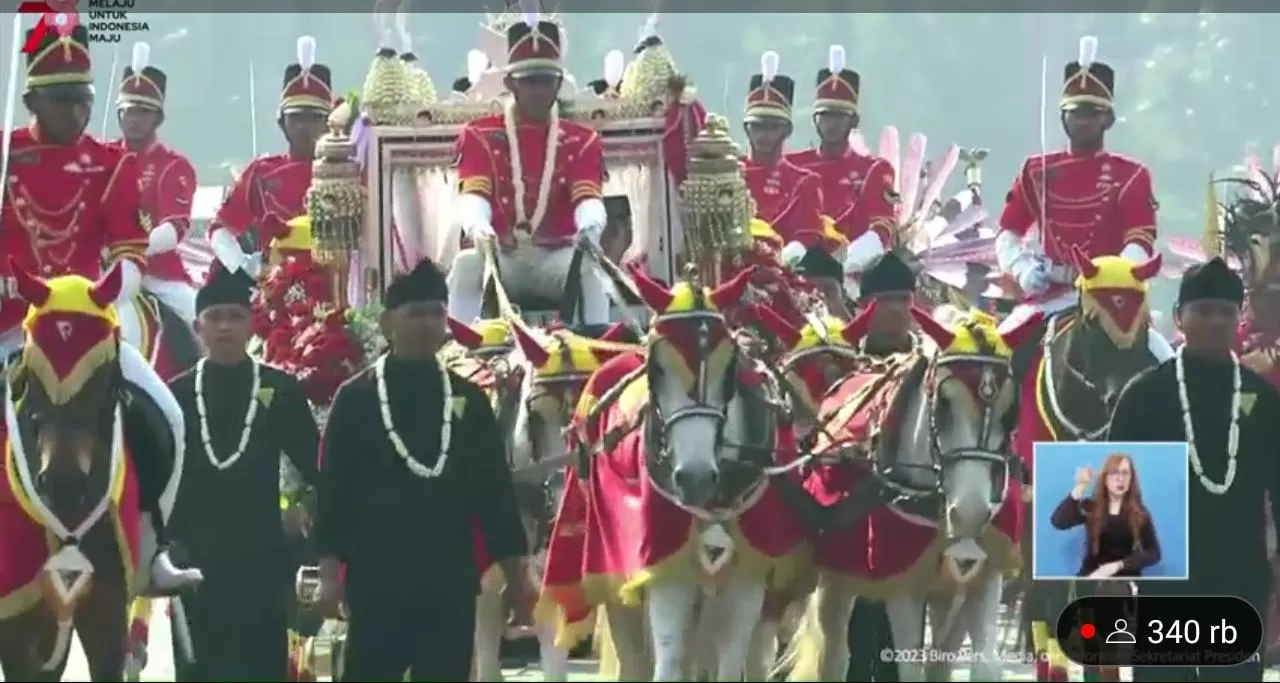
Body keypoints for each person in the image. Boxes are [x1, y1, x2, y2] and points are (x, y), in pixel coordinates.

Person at [1, 23, 199, 596]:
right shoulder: (6, 158)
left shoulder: (113, 163)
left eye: (85, 99)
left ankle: (150, 546)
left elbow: (130, 252)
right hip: (12, 327)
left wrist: (109, 286)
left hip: (86, 331)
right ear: (32, 98)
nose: (78, 111)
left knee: (171, 419)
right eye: (63, 100)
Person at [313, 259, 531, 681]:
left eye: (436, 312)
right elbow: (334, 493)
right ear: (388, 321)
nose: (428, 323)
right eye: (416, 313)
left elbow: (495, 496)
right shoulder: (355, 399)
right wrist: (328, 575)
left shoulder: (468, 400)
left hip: (448, 584)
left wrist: (516, 584)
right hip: (376, 583)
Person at [1109, 258, 1280, 681]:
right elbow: (1114, 490)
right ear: (1180, 317)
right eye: (1203, 310)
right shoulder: (1144, 395)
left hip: (1241, 580)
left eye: (1226, 311)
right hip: (1166, 580)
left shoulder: (1263, 398)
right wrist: (1109, 572)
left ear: (1240, 317)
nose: (1216, 321)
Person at [165, 261, 319, 680]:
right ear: (198, 327)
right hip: (193, 566)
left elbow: (318, 470)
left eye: (235, 317)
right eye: (215, 318)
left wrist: (305, 522)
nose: (225, 327)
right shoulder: (175, 395)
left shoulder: (280, 391)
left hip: (263, 567)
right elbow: (155, 483)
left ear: (252, 325)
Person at [998, 35, 1174, 381]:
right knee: (996, 358)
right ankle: (1004, 435)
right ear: (1064, 117)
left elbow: (1140, 240)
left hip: (1110, 298)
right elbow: (1008, 232)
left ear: (1107, 119)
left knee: (1165, 363)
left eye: (1092, 113)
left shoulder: (1131, 174)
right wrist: (1021, 269)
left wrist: (1114, 276)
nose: (1083, 121)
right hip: (1048, 293)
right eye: (1075, 113)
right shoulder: (1037, 170)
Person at [447, 18, 611, 325]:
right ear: (511, 84)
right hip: (501, 255)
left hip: (557, 256)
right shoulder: (480, 134)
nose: (538, 89)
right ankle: (459, 351)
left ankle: (597, 344)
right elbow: (474, 196)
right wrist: (478, 227)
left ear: (558, 83)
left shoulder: (582, 139)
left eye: (546, 80)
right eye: (530, 80)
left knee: (591, 266)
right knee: (466, 265)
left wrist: (591, 225)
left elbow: (587, 198)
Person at [842, 250, 919, 682]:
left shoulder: (930, 372)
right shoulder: (840, 363)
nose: (894, 315)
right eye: (884, 305)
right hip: (849, 517)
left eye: (902, 305)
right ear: (865, 309)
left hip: (911, 516)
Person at [210, 36, 332, 275]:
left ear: (330, 123)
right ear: (281, 123)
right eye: (296, 117)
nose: (303, 126)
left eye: (313, 117)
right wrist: (245, 268)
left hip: (338, 285)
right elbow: (220, 228)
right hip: (276, 288)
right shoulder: (261, 172)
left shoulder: (350, 171)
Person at [786, 45, 896, 277]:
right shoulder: (793, 165)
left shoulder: (874, 169)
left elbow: (882, 228)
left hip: (853, 273)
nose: (831, 123)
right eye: (825, 115)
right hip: (794, 268)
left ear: (853, 121)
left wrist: (844, 264)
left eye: (839, 116)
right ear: (815, 120)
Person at [111, 41, 199, 329]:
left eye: (143, 112)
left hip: (159, 276)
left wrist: (128, 249)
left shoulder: (175, 165)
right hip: (102, 270)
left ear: (157, 118)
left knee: (200, 319)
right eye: (129, 111)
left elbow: (175, 229)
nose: (134, 119)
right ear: (119, 114)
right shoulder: (101, 157)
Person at [739, 51, 825, 260]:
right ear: (746, 129)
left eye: (772, 127)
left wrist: (775, 263)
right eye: (757, 126)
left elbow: (805, 238)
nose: (764, 135)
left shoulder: (804, 183)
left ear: (787, 130)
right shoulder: (727, 173)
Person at [1050, 454, 1161, 578]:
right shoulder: (1091, 507)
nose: (1120, 478)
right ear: (1105, 478)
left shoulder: (1140, 512)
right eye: (1115, 472)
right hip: (1091, 576)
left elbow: (1154, 553)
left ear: (1131, 479)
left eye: (1125, 473)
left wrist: (1118, 566)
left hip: (1126, 579)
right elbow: (1058, 522)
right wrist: (1080, 487)